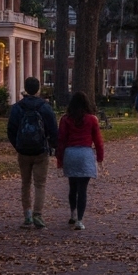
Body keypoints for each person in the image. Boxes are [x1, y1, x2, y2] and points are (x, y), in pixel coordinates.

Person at [7, 76, 58, 230]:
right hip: (40, 150)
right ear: (38, 89)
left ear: (25, 89)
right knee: (40, 184)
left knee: (25, 183)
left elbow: (11, 129)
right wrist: (52, 146)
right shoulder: (45, 107)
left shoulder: (17, 108)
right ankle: (38, 214)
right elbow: (53, 130)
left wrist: (17, 145)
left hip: (23, 151)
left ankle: (27, 215)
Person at [55, 92, 105, 230]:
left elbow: (61, 141)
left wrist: (59, 160)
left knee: (72, 187)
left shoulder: (65, 119)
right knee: (83, 189)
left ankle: (72, 214)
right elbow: (98, 141)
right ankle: (80, 220)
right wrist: (100, 158)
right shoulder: (92, 119)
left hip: (70, 153)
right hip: (85, 154)